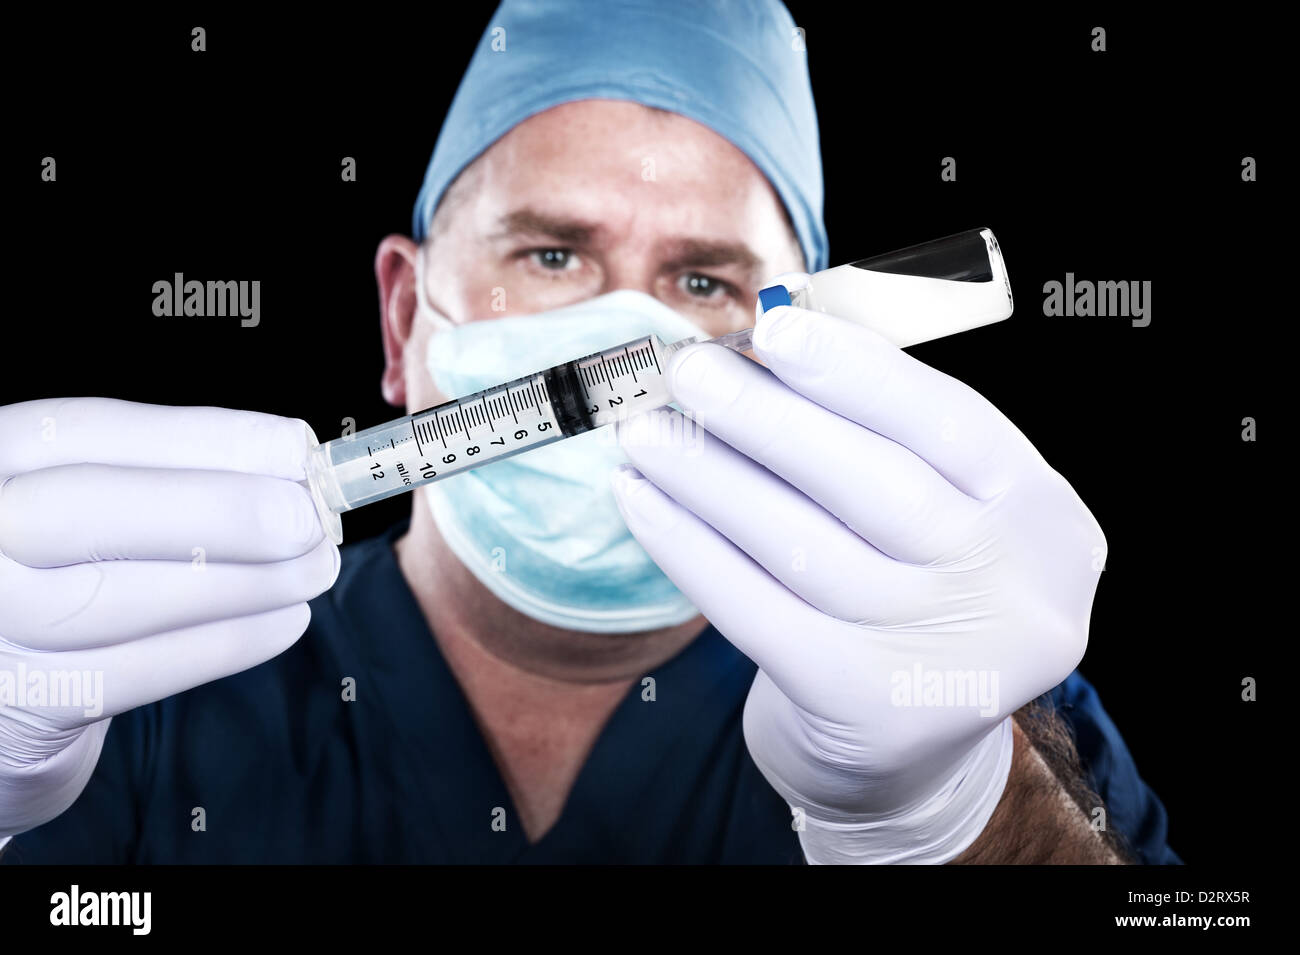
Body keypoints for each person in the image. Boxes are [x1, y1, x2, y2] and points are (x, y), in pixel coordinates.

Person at [0, 0, 1178, 864]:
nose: (627, 333)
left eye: (706, 280)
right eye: (552, 254)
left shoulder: (952, 689)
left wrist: (950, 818)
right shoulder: (133, 680)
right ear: (406, 316)